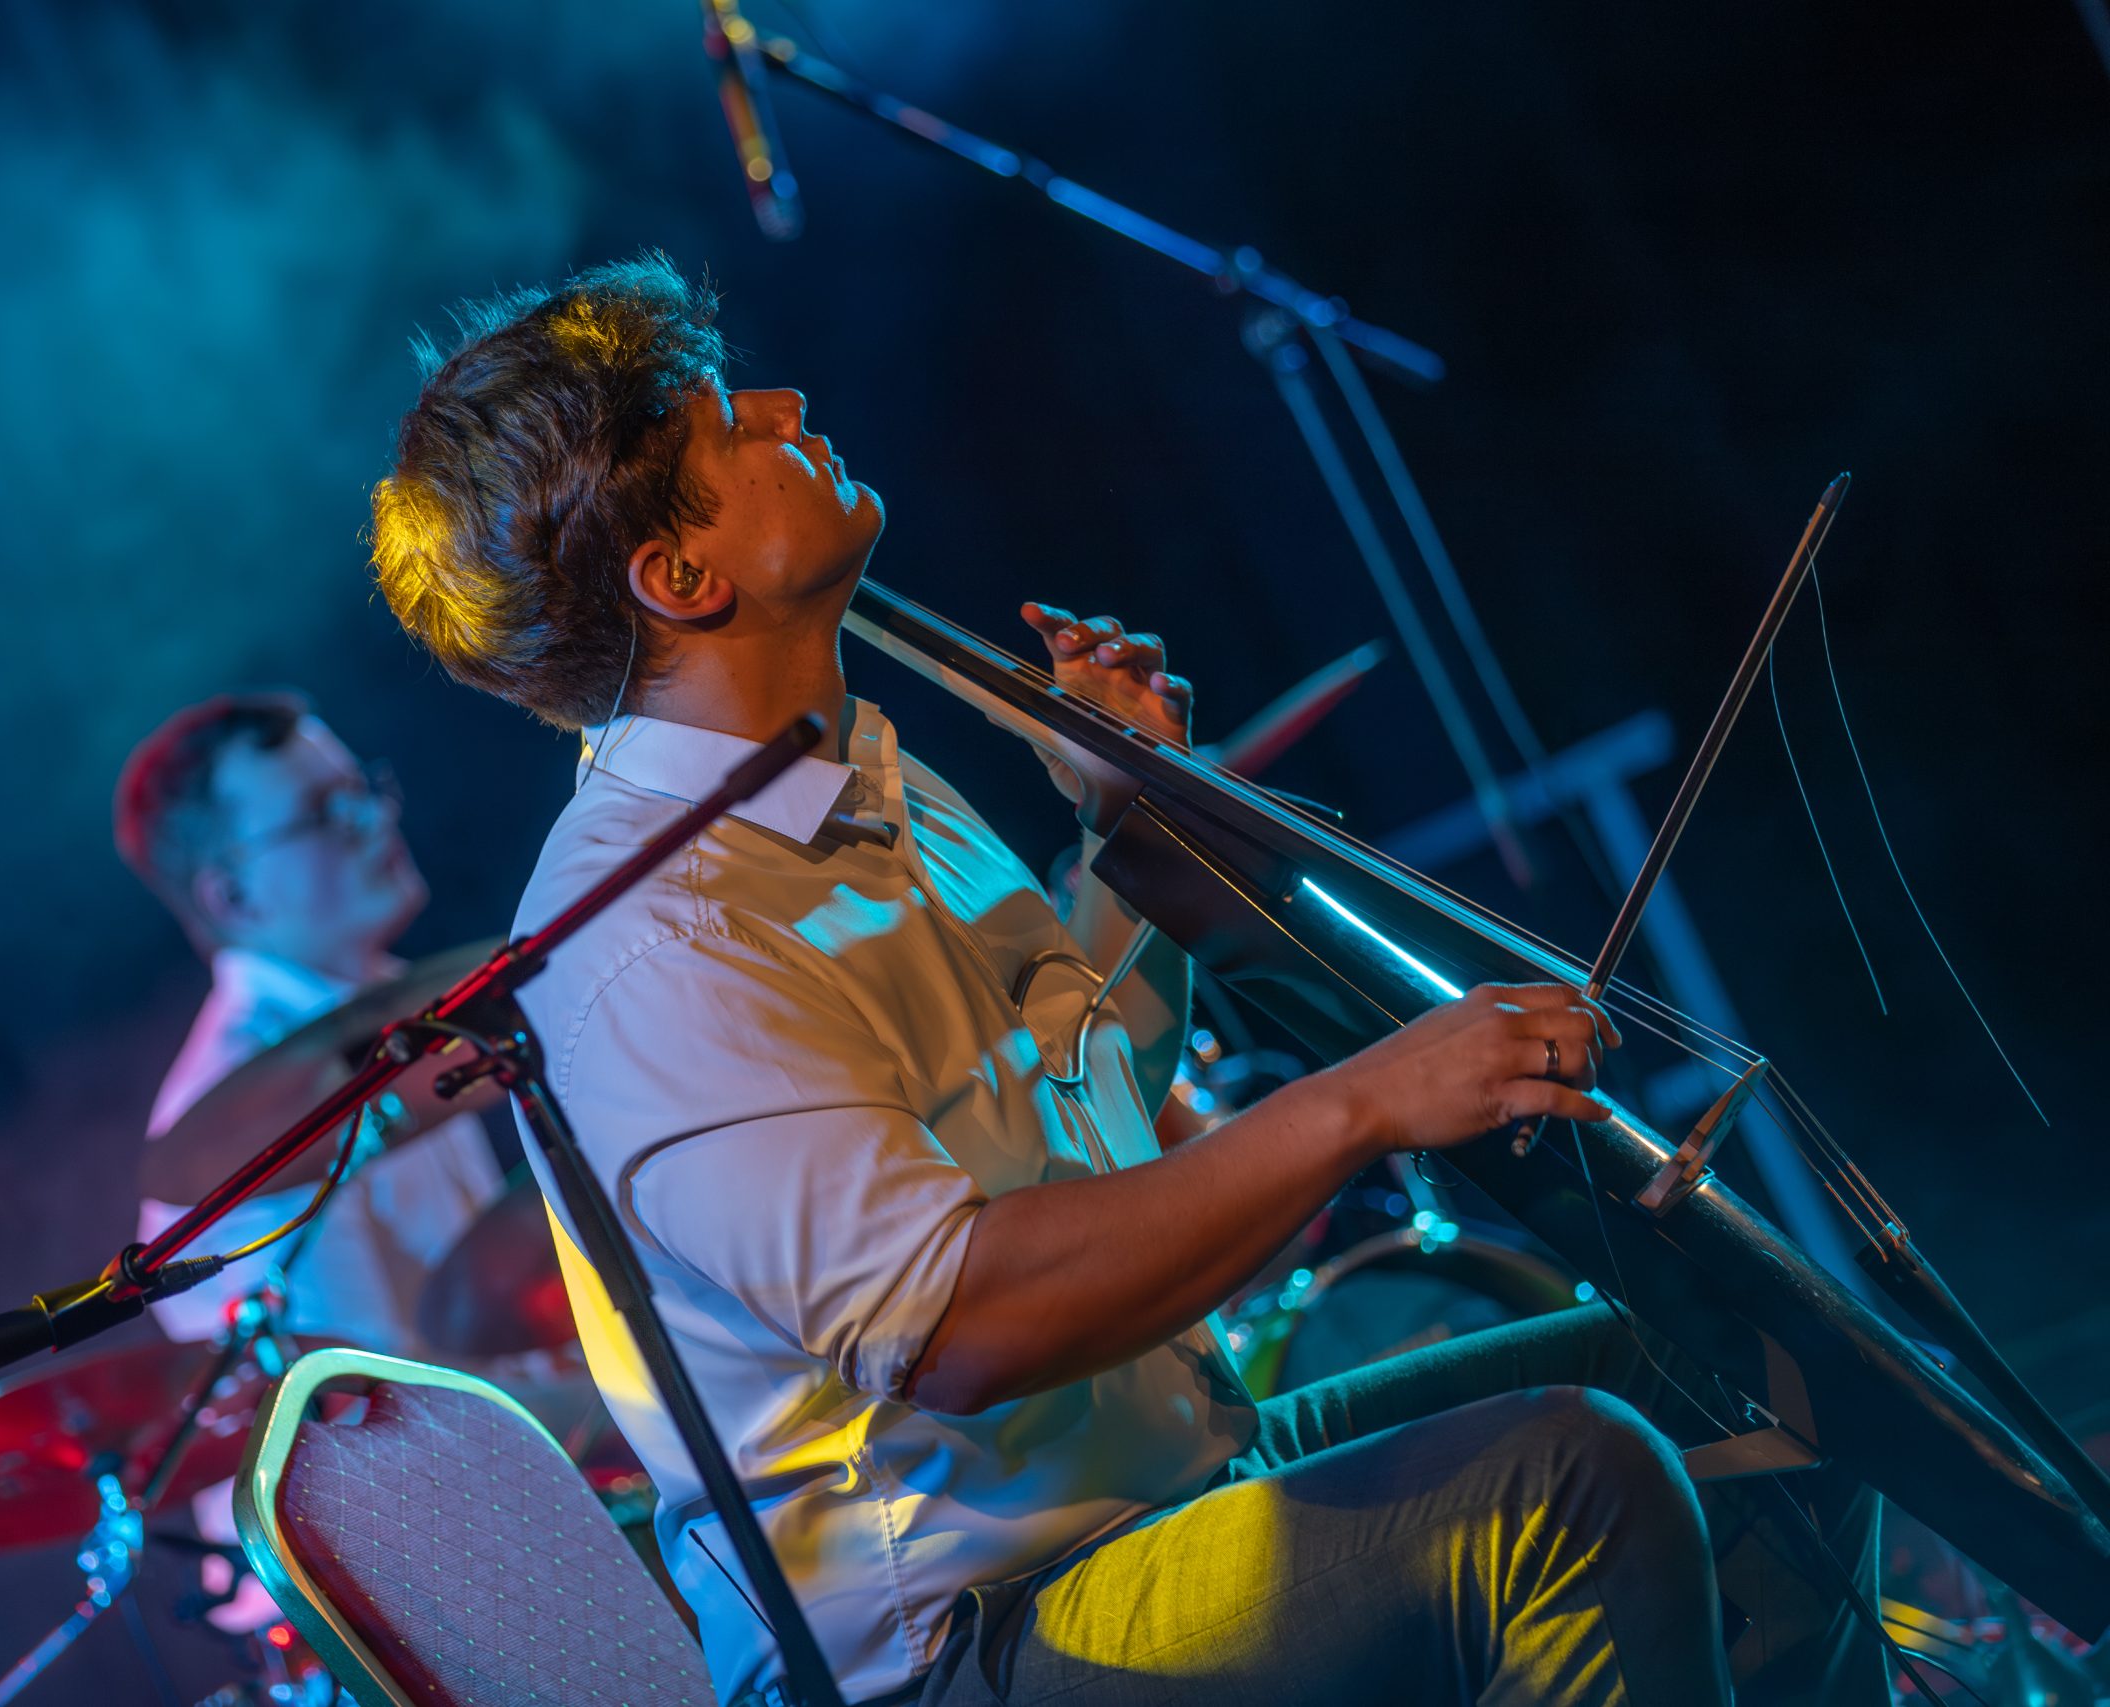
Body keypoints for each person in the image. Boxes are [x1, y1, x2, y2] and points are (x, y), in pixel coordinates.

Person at [365, 256, 1882, 1707]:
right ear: (680, 574)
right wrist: (1365, 1103)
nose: (783, 406)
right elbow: (964, 1325)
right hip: (968, 1633)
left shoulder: (851, 766)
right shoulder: (655, 941)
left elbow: (1086, 1082)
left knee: (1740, 1369)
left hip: (1147, 1473)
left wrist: (1134, 813)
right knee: (1569, 1482)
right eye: (726, 424)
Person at [112, 691, 519, 1626]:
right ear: (232, 896)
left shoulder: (391, 1004)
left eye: (364, 788)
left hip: (482, 1500)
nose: (374, 818)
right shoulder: (236, 1123)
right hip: (379, 1604)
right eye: (324, 812)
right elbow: (381, 1424)